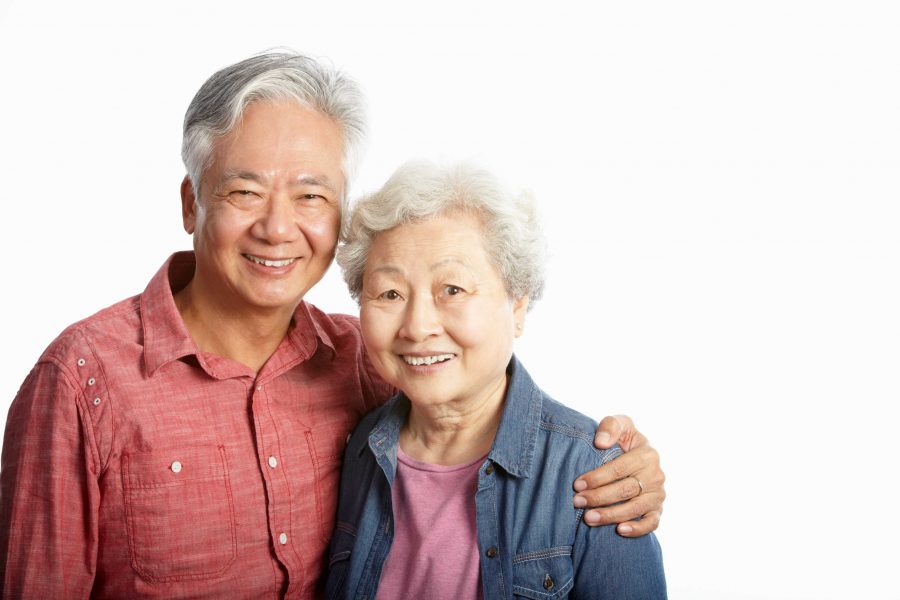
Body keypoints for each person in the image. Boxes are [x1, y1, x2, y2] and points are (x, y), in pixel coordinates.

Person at [0, 52, 665, 599]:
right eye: (244, 191)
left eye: (312, 196)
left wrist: (617, 463)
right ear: (190, 202)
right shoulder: (84, 381)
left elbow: (477, 404)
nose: (278, 228)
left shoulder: (363, 363)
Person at [327, 161, 666, 599]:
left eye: (452, 289)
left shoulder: (595, 476)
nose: (417, 326)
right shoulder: (360, 447)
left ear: (518, 306)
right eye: (390, 293)